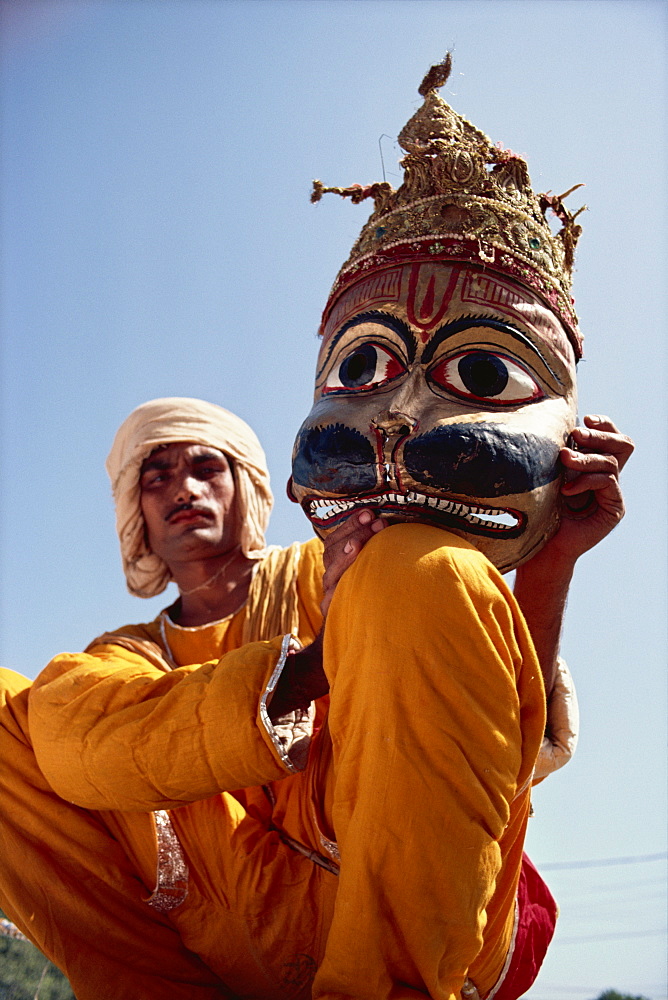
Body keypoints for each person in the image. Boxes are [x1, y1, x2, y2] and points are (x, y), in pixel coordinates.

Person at [0, 60, 633, 1000]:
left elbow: (511, 754)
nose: (183, 489)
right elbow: (75, 749)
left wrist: (550, 564)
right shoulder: (121, 659)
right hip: (212, 957)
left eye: (205, 464)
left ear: (252, 486)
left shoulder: (350, 561)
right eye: (156, 475)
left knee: (419, 577)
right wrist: (307, 670)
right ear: (133, 516)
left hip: (396, 941)